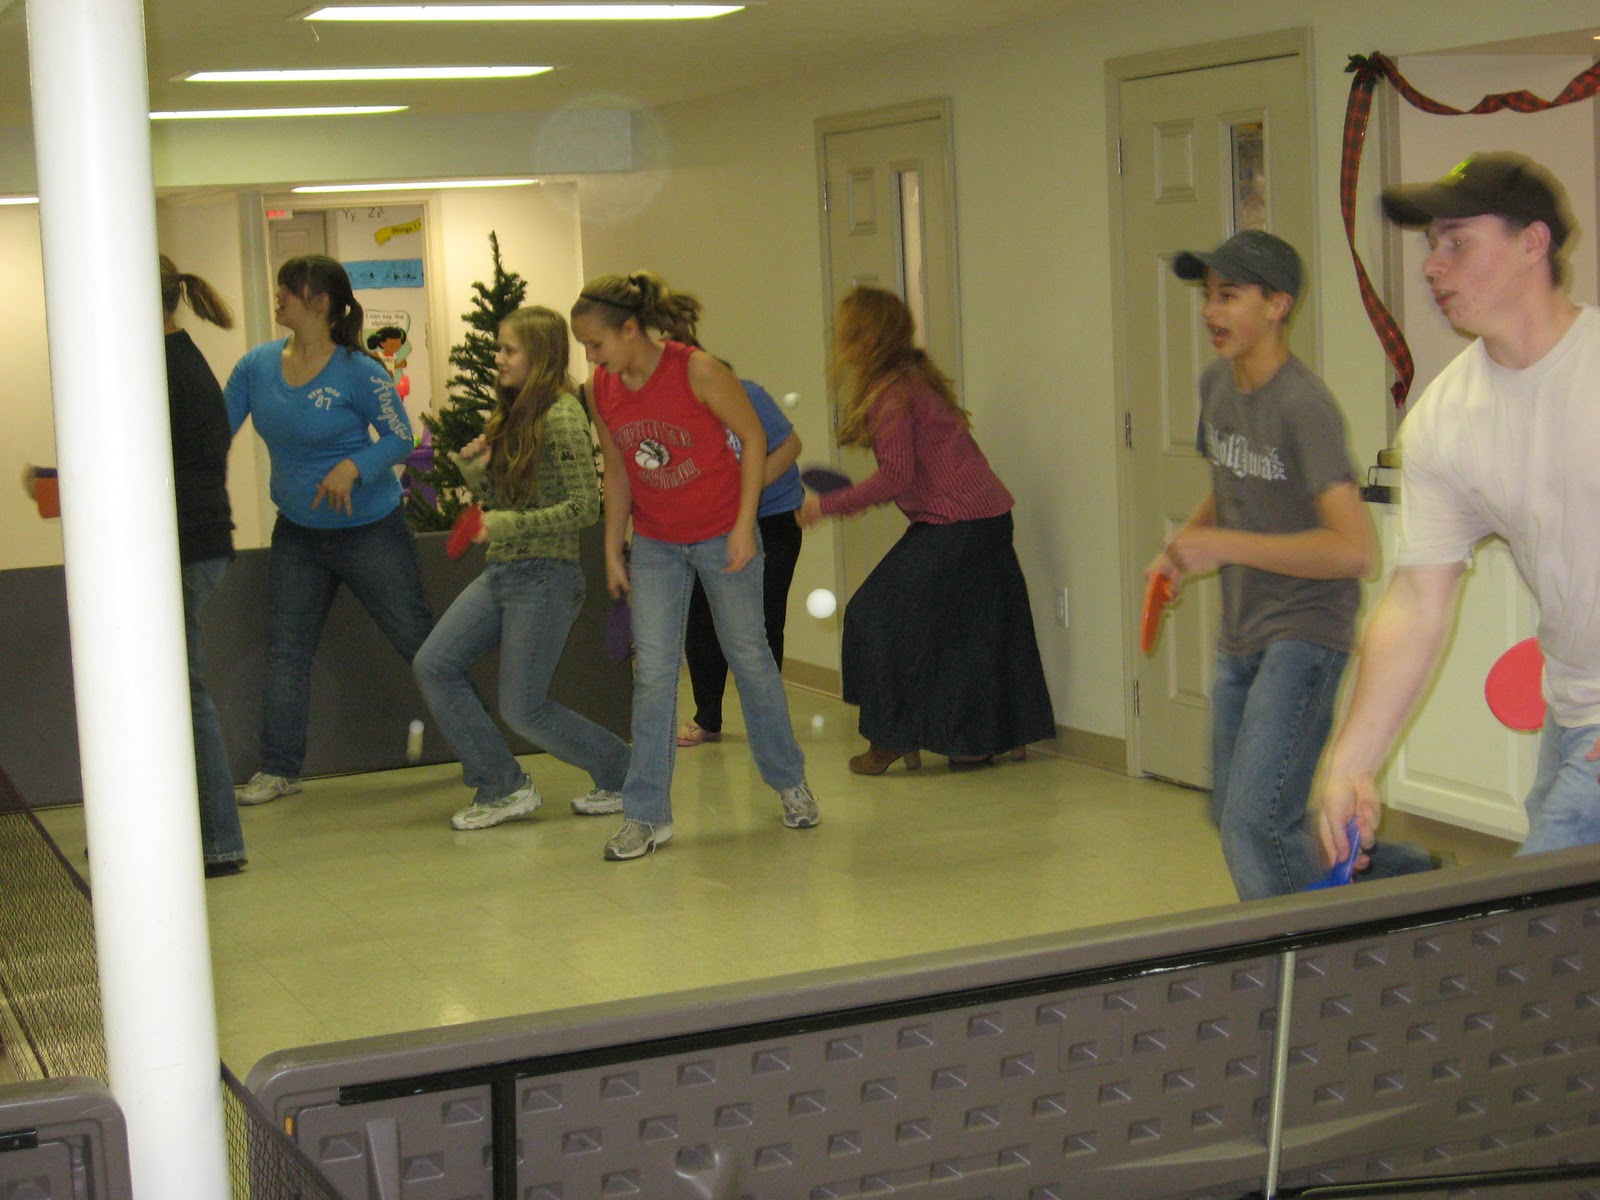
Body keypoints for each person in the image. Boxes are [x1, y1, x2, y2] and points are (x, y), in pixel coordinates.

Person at [1320, 151, 1598, 867]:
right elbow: (1416, 599)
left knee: (1538, 932)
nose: (1431, 266)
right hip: (1575, 713)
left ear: (1533, 243)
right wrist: (1352, 760)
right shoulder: (1445, 418)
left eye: (1457, 241)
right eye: (1429, 244)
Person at [1151, 231, 1433, 901]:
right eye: (1206, 296)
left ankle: (1295, 970)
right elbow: (1231, 484)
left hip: (1306, 635)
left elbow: (1353, 551)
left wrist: (1226, 548)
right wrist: (1180, 550)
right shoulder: (1216, 385)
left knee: (1252, 825)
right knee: (1235, 812)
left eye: (1229, 296)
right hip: (1242, 632)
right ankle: (1403, 874)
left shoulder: (1305, 406)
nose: (1211, 312)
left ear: (1278, 305)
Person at [569, 271, 818, 861]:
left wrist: (742, 526)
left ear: (630, 330)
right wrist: (613, 544)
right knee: (655, 674)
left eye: (597, 344)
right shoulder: (601, 388)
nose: (591, 356)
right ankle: (647, 815)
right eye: (585, 348)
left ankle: (791, 784)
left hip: (718, 532)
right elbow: (620, 469)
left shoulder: (697, 370)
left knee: (749, 657)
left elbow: (755, 440)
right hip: (656, 542)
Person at [797, 285, 1054, 774]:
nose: (840, 338)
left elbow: (896, 476)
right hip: (986, 517)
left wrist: (827, 506)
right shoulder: (910, 378)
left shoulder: (892, 394)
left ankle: (891, 738)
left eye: (847, 328)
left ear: (865, 336)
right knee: (975, 629)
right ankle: (992, 738)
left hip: (959, 522)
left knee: (875, 613)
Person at [224, 254, 434, 806]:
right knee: (286, 652)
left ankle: (486, 752)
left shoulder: (360, 370)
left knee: (421, 644)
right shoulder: (256, 367)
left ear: (318, 301)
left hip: (371, 530)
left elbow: (399, 438)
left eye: (287, 291)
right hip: (298, 533)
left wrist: (354, 466)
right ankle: (279, 768)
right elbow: (213, 431)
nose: (278, 299)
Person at [412, 306, 631, 830]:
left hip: (546, 576)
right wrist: (474, 472)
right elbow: (508, 501)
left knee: (523, 708)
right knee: (435, 663)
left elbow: (583, 507)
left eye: (509, 349)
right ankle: (502, 784)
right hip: (506, 573)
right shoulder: (519, 415)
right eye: (499, 348)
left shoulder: (562, 415)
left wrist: (506, 524)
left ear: (540, 355)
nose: (499, 358)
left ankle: (624, 771)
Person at [163, 256, 248, 877]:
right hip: (193, 544)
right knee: (169, 693)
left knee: (185, 694)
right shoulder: (178, 361)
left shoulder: (168, 370)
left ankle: (219, 839)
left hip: (187, 548)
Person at [678, 367, 803, 749]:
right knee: (700, 618)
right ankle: (708, 718)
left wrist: (746, 487)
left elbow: (791, 445)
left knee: (764, 621)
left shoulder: (749, 394)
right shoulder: (679, 408)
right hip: (712, 523)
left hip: (774, 517)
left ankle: (766, 723)